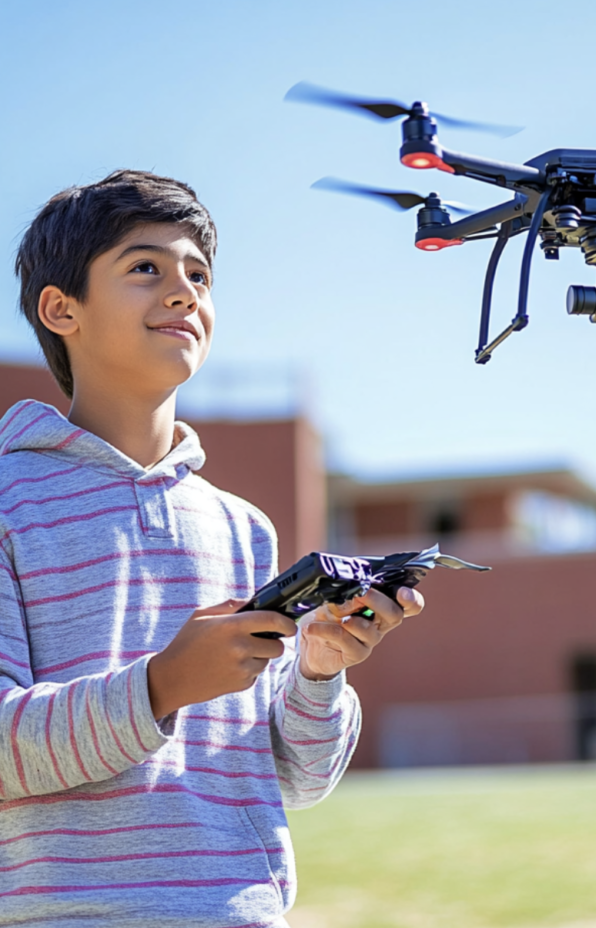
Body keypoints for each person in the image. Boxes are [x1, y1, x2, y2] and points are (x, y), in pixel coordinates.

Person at [0, 170, 424, 926]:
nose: (184, 291)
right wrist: (161, 685)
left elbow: (297, 779)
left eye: (199, 275)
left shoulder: (242, 526)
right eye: (146, 268)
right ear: (60, 308)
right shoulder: (10, 502)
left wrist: (322, 670)